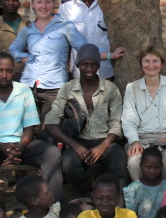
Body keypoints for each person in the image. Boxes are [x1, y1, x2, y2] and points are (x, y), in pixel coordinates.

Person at [0, 52, 64, 201]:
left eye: (9, 71)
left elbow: (29, 128)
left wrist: (19, 148)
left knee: (52, 153)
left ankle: (53, 205)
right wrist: (1, 147)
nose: (4, 75)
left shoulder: (23, 91)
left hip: (21, 145)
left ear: (13, 72)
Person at [46, 44, 127, 193]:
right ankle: (89, 193)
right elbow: (51, 121)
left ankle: (118, 198)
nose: (89, 69)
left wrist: (102, 147)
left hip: (105, 140)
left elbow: (117, 122)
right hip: (78, 141)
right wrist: (75, 146)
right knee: (69, 163)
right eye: (84, 64)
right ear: (77, 65)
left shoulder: (110, 88)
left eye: (93, 64)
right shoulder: (67, 88)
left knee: (120, 158)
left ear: (98, 65)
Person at [9, 0, 90, 122]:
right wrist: (25, 58)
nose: (43, 6)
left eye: (47, 2)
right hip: (28, 86)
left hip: (54, 88)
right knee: (29, 128)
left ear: (53, 3)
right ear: (33, 4)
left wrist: (110, 56)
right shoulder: (28, 28)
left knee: (50, 131)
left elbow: (84, 48)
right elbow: (13, 49)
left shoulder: (65, 25)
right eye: (39, 2)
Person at [122, 46, 166, 182]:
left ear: (162, 64)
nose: (151, 65)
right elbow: (129, 119)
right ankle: (141, 196)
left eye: (155, 61)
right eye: (146, 61)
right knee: (134, 163)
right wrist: (134, 141)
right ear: (141, 64)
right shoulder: (132, 88)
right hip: (141, 139)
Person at [58, 0, 125, 80]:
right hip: (79, 70)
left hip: (106, 68)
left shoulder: (105, 3)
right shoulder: (66, 6)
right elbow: (64, 40)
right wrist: (66, 66)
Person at [121, 146, 166, 218]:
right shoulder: (134, 188)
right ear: (141, 166)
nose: (152, 171)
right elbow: (130, 214)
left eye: (156, 167)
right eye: (148, 167)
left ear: (162, 167)